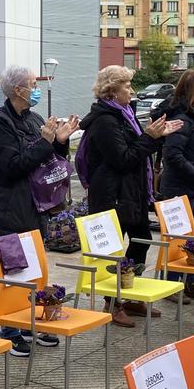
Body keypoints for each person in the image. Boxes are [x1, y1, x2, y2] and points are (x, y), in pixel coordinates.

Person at [0, 64, 76, 353]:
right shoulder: (0, 123)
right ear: (18, 90)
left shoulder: (33, 118)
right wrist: (47, 142)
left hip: (34, 207)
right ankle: (10, 331)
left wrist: (60, 141)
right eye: (32, 84)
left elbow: (47, 160)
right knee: (14, 275)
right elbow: (13, 166)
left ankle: (29, 323)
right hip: (9, 210)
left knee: (34, 274)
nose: (36, 87)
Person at [78, 65, 181, 321]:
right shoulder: (105, 121)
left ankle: (131, 296)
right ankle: (112, 303)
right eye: (126, 86)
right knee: (113, 253)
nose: (132, 91)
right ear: (112, 91)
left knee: (141, 242)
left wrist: (156, 137)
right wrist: (149, 137)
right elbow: (123, 158)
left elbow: (138, 151)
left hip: (130, 194)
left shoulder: (125, 114)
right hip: (111, 197)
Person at [154, 70, 194, 304]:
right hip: (180, 189)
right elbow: (173, 155)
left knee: (193, 238)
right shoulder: (182, 119)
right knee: (179, 239)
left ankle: (190, 281)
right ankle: (173, 284)